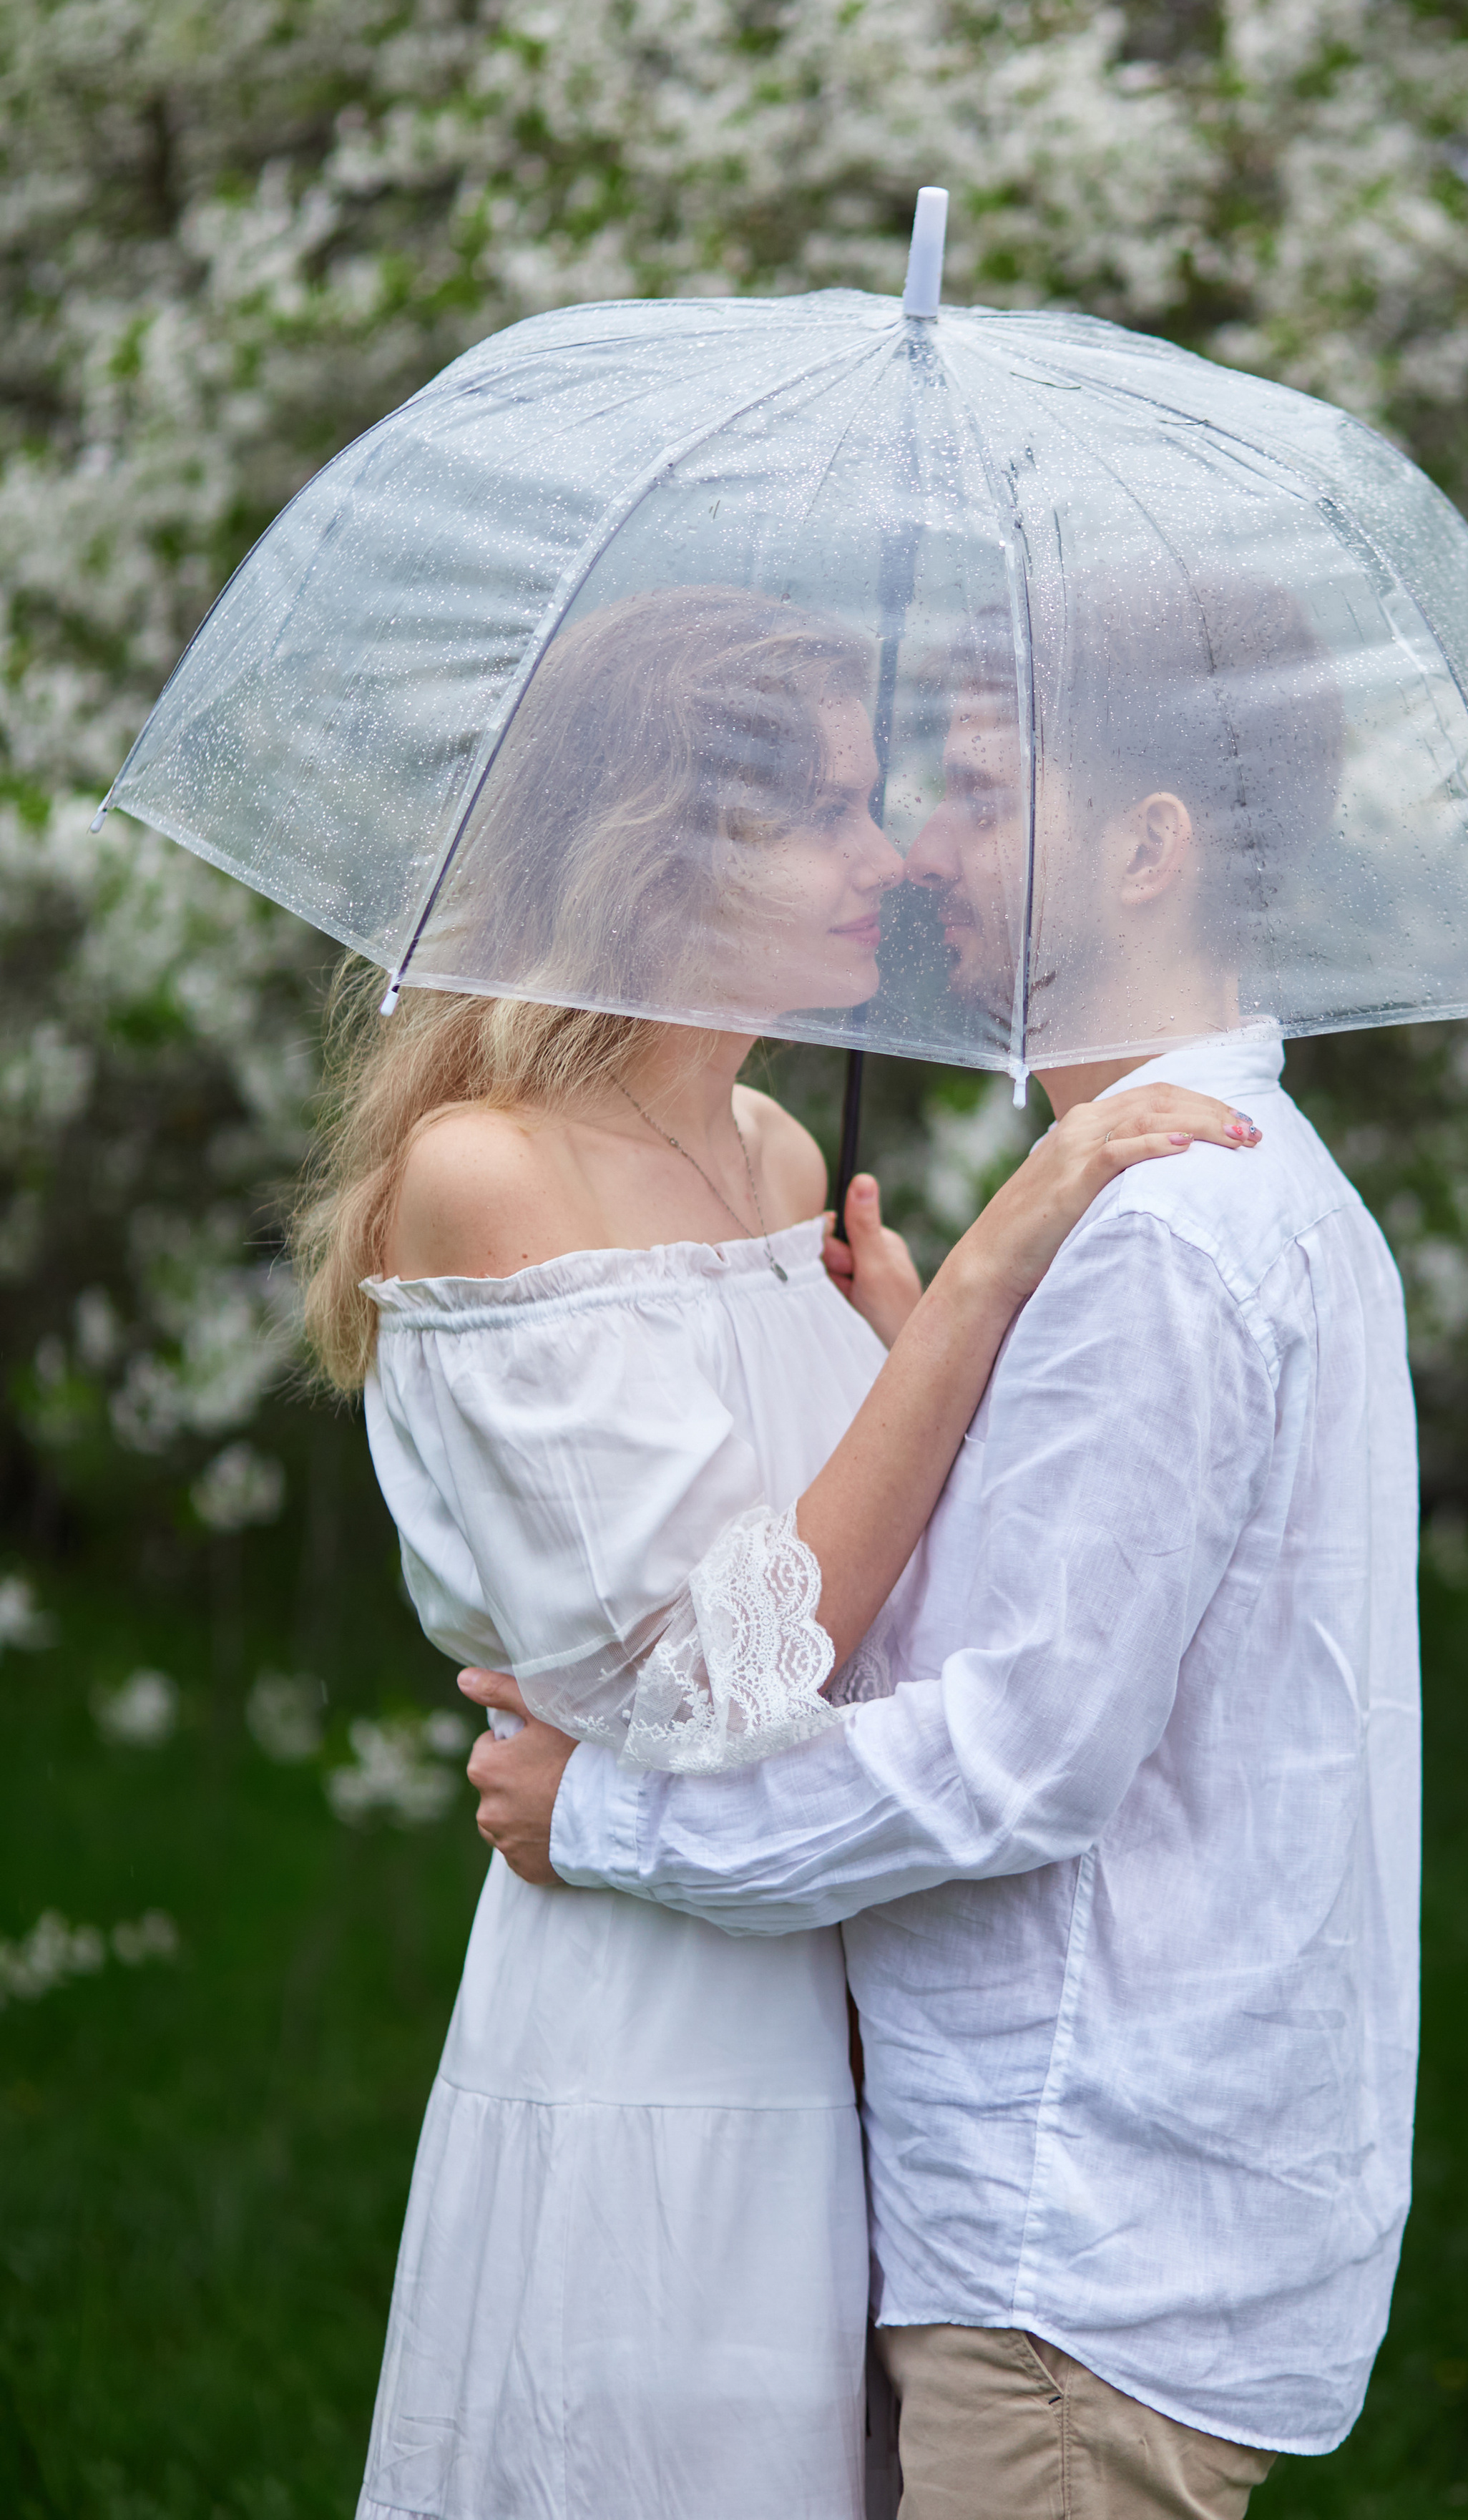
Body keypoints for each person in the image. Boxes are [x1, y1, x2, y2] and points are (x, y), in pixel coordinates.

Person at [292, 582, 1260, 2520]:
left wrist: (898, 1349)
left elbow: (872, 1605)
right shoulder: (493, 1174)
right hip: (662, 2022)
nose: (893, 852)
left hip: (859, 1967)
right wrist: (1002, 1259)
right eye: (823, 807)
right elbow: (716, 1681)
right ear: (659, 856)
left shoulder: (778, 1160)